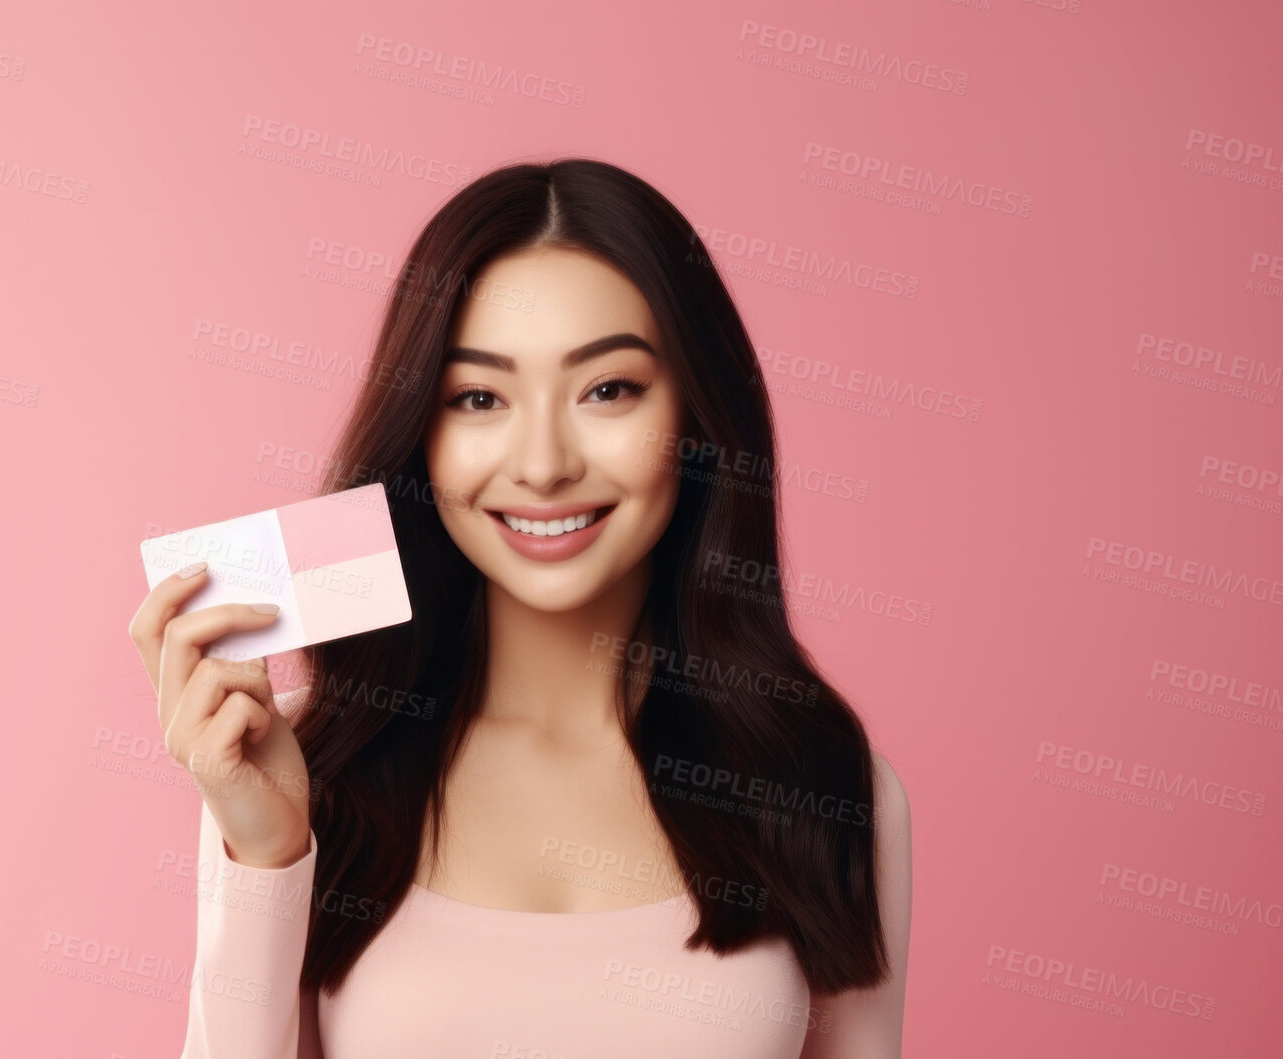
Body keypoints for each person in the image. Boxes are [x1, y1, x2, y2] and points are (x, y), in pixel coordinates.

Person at [126, 157, 913, 1058]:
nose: (541, 463)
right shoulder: (303, 768)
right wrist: (264, 859)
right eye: (478, 397)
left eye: (607, 389)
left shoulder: (824, 781)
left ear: (698, 416)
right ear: (421, 434)